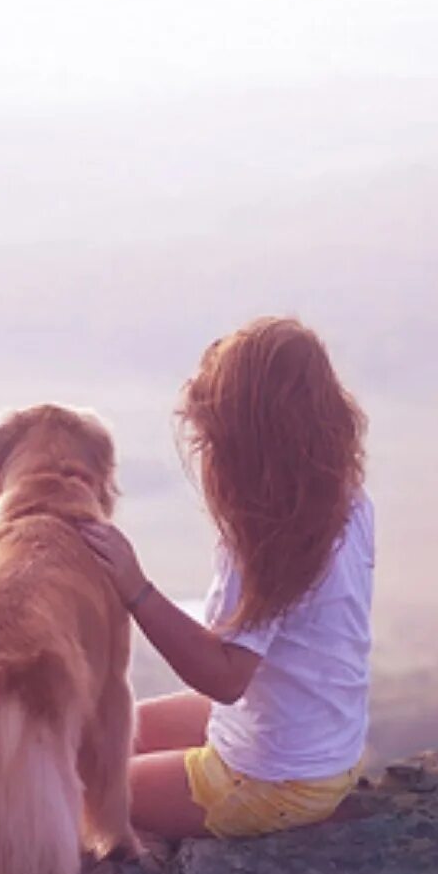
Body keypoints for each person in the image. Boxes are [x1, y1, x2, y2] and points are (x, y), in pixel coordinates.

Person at [78, 316, 374, 840]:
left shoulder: (266, 542)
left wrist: (135, 588)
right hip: (324, 748)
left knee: (77, 784)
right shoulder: (349, 502)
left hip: (272, 780)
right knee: (100, 734)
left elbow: (223, 678)